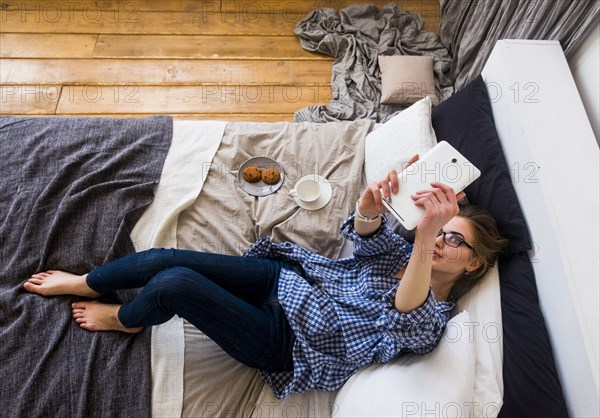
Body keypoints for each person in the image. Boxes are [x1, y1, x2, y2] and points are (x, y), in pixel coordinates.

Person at [23, 167, 508, 399]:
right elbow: (366, 236)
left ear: (472, 266)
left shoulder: (432, 320)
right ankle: (89, 281)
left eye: (455, 241)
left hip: (287, 343)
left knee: (174, 284)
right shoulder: (405, 253)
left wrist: (425, 235)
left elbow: (406, 309)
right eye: (441, 230)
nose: (442, 241)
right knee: (163, 256)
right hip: (286, 282)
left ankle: (128, 320)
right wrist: (369, 206)